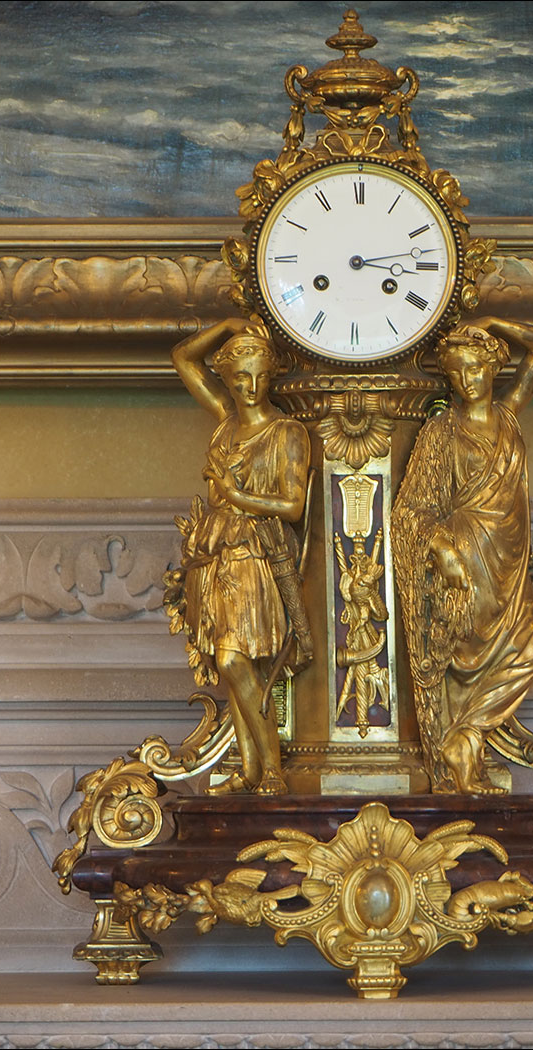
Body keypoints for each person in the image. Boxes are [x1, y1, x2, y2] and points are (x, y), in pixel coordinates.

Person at [393, 317, 533, 794]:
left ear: (492, 369)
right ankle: (461, 744)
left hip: (508, 556)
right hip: (466, 553)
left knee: (528, 654)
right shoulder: (442, 432)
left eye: (476, 369)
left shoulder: (508, 415)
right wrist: (441, 548)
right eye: (458, 372)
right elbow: (410, 511)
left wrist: (493, 323)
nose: (468, 380)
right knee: (461, 656)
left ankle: (466, 737)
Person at [170, 317, 310, 795]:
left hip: (254, 554)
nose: (250, 387)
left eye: (259, 377)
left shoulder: (287, 432)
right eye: (239, 378)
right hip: (213, 557)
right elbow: (183, 358)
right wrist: (229, 325)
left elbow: (293, 506)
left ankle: (271, 767)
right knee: (229, 663)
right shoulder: (225, 422)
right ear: (227, 381)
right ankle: (250, 769)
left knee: (237, 659)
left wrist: (236, 494)